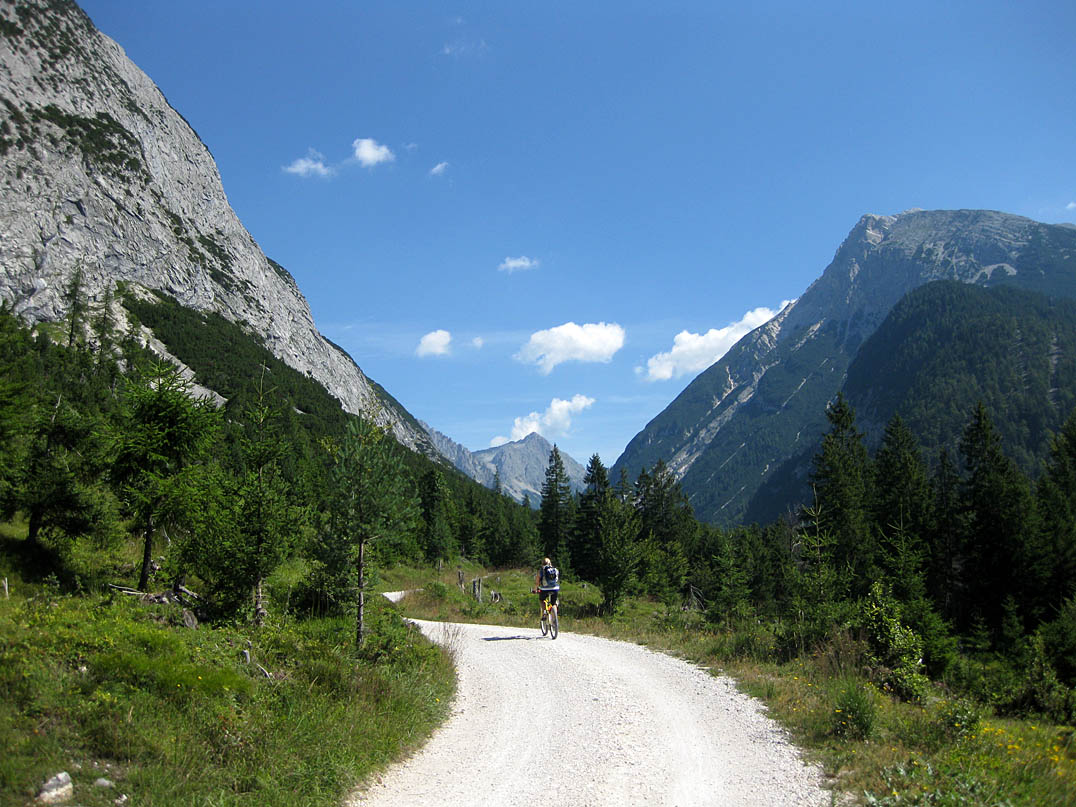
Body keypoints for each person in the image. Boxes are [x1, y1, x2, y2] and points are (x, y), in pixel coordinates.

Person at [533, 556, 560, 621]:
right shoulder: (555, 570)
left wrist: (535, 589)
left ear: (542, 563)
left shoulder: (541, 570)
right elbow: (556, 580)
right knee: (554, 603)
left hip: (544, 589)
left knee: (542, 600)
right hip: (555, 588)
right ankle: (555, 616)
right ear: (550, 563)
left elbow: (537, 582)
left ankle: (544, 613)